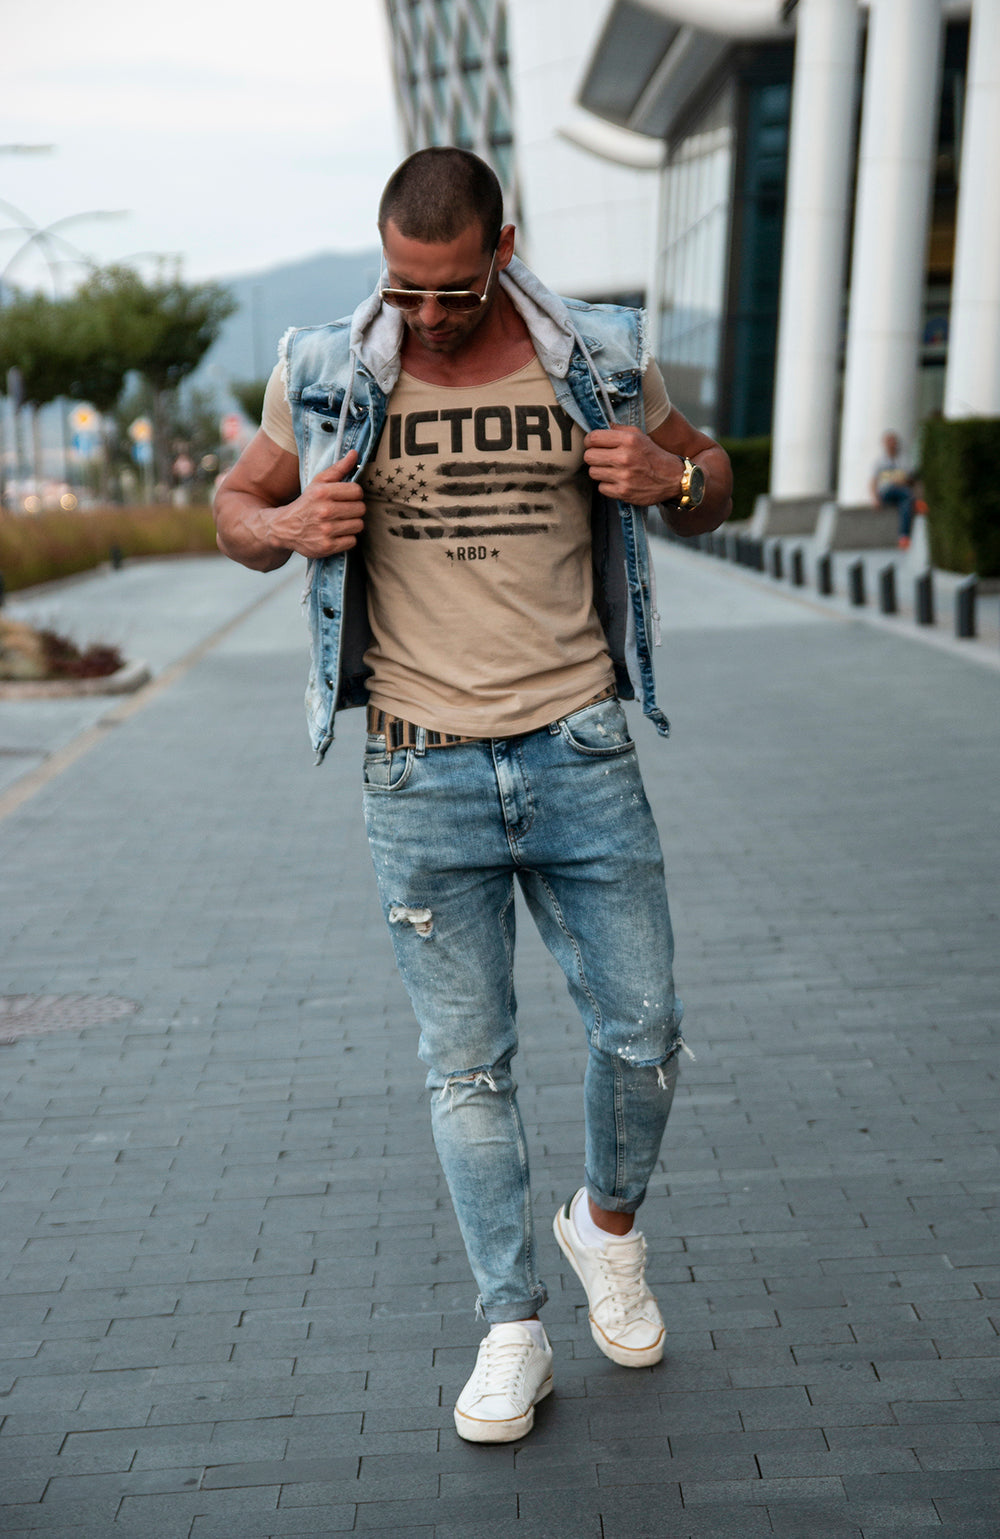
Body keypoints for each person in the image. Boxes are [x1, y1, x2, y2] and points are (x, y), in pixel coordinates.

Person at [214, 148, 731, 1444]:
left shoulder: (597, 357)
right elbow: (235, 503)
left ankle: (605, 1226)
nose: (428, 315)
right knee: (467, 1069)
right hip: (418, 766)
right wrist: (284, 528)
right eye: (405, 287)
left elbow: (713, 479)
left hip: (578, 749)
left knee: (646, 1031)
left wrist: (672, 482)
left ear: (504, 248)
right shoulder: (325, 367)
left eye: (452, 289)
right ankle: (512, 1326)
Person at [870, 430, 916, 549]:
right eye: (889, 442)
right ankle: (915, 502)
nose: (891, 444)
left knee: (905, 503)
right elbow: (874, 482)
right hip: (886, 492)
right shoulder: (880, 461)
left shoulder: (903, 459)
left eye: (893, 442)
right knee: (906, 494)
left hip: (901, 493)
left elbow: (908, 478)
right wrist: (875, 498)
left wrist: (894, 478)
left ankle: (903, 537)